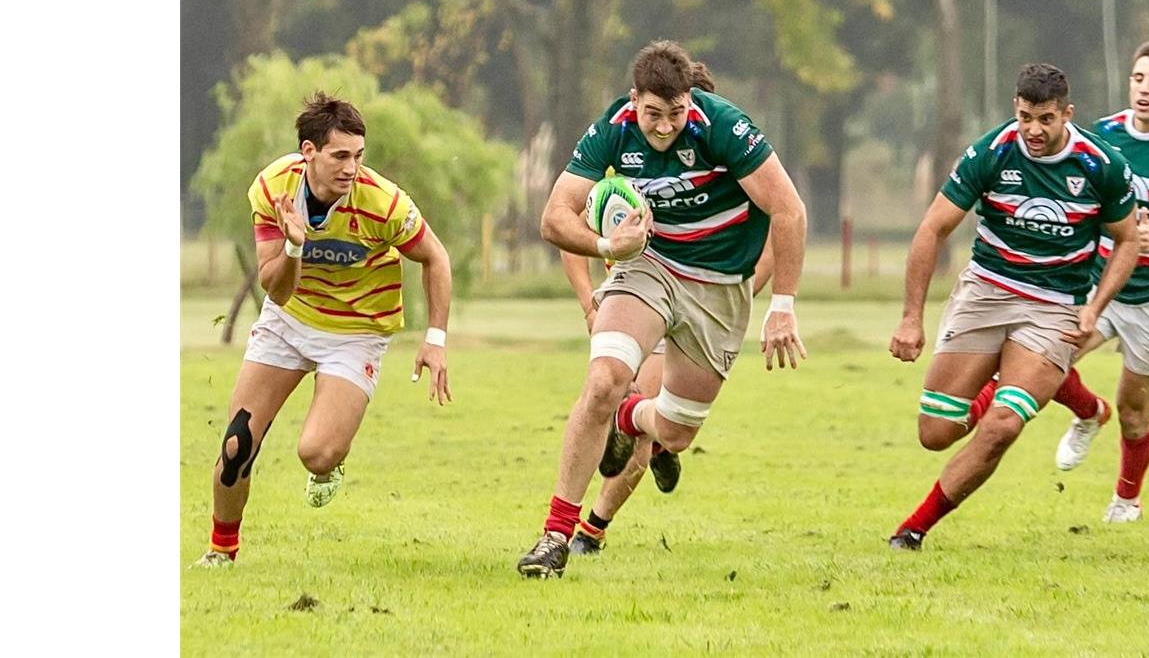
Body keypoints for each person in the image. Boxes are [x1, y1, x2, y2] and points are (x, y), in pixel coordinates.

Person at [517, 39, 808, 578]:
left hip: (718, 285)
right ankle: (555, 537)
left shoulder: (724, 126)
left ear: (690, 100)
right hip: (650, 266)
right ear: (635, 100)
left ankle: (631, 416)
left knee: (674, 434)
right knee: (603, 379)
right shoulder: (613, 128)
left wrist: (782, 306)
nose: (665, 126)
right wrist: (609, 247)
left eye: (676, 112)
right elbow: (555, 217)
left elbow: (788, 210)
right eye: (653, 113)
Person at [886, 63, 1140, 551]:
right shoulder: (992, 151)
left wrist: (1094, 308)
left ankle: (912, 530)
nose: (1033, 130)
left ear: (1067, 113)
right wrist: (911, 317)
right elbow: (932, 229)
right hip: (986, 291)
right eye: (1025, 117)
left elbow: (1128, 239)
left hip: (1055, 306)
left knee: (1002, 424)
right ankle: (1051, 393)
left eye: (1046, 119)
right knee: (935, 432)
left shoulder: (1100, 164)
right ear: (1015, 109)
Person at [192, 92, 453, 567]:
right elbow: (277, 291)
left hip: (357, 331)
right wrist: (294, 247)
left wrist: (435, 339)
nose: (352, 168)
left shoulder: (385, 203)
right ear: (308, 151)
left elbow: (435, 258)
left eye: (358, 156)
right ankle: (221, 550)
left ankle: (331, 462)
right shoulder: (273, 189)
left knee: (316, 453)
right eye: (340, 156)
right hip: (289, 318)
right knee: (237, 443)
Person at [977, 41, 1149, 523]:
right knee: (1044, 361)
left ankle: (1126, 500)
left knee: (1135, 414)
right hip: (1096, 287)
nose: (1144, 89)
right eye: (1138, 78)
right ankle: (1089, 412)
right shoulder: (1104, 137)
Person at [563, 237, 775, 557]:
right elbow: (567, 232)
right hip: (632, 305)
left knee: (637, 427)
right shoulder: (609, 200)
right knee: (606, 399)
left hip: (688, 303)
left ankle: (592, 530)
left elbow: (772, 238)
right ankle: (659, 440)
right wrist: (588, 307)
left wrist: (725, 299)